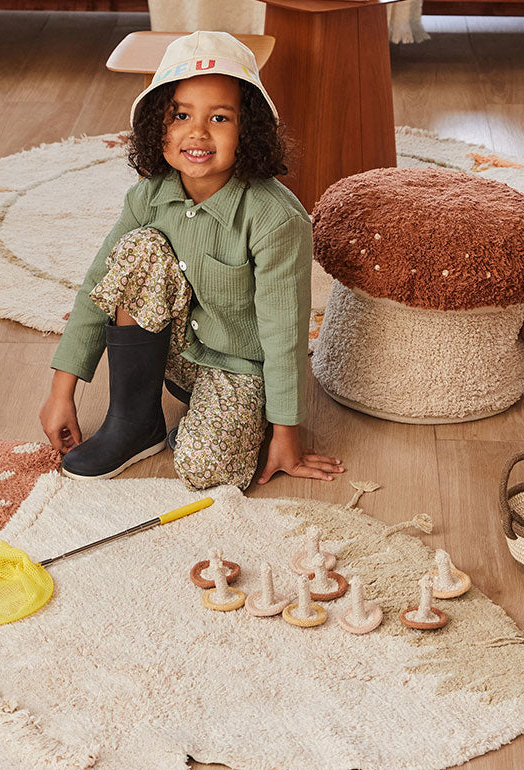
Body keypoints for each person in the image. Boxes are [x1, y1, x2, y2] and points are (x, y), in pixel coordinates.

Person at [39, 30, 344, 490]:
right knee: (139, 248)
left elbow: (284, 333)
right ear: (157, 129)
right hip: (175, 355)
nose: (197, 132)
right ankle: (134, 422)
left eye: (219, 117)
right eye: (180, 115)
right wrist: (62, 391)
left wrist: (287, 434)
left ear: (249, 132)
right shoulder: (147, 196)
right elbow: (98, 286)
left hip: (241, 366)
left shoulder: (276, 218)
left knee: (207, 471)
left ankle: (238, 418)